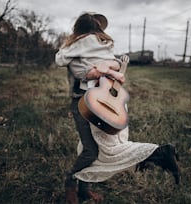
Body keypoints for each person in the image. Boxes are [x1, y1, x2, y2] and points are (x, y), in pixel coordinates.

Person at [55, 12, 180, 204]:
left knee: (92, 149)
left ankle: (73, 183)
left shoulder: (78, 45)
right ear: (97, 28)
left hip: (87, 102)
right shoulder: (104, 45)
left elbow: (60, 60)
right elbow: (103, 68)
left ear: (78, 28)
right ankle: (81, 188)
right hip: (104, 100)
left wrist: (70, 48)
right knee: (92, 148)